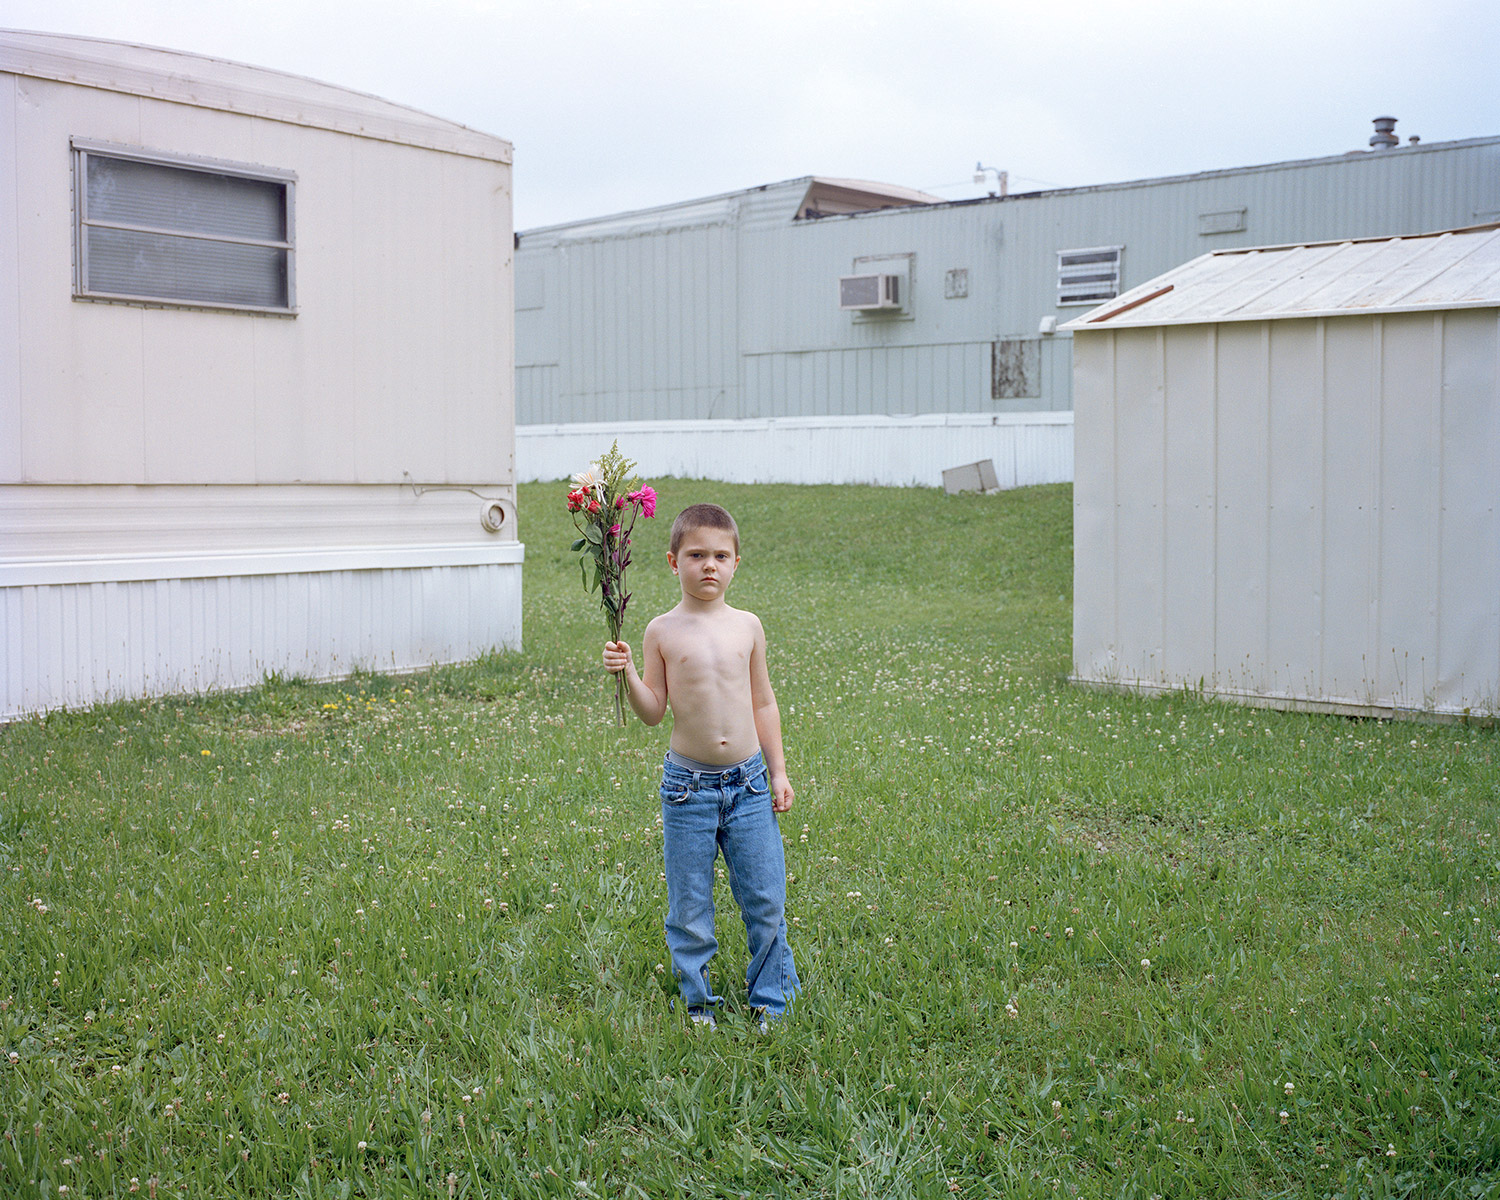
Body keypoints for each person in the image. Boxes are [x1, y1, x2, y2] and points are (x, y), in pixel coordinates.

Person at [603, 502, 800, 1031]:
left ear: (736, 563)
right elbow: (652, 711)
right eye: (696, 555)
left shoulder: (748, 626)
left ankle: (771, 999)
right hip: (687, 788)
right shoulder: (662, 630)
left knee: (765, 897)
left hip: (750, 784)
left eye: (720, 556)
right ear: (674, 562)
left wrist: (779, 771)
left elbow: (763, 702)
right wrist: (627, 674)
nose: (709, 565)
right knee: (689, 906)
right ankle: (698, 1004)